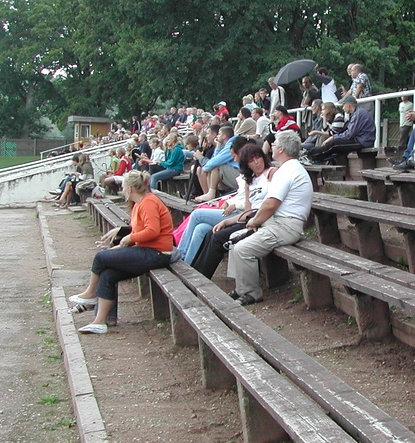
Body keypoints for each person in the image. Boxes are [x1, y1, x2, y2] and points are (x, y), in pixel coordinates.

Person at [69, 170, 176, 334]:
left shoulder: (148, 202)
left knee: (100, 258)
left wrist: (129, 238)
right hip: (148, 250)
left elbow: (153, 231)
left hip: (157, 254)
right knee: (109, 274)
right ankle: (102, 321)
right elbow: (140, 230)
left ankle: (90, 294)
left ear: (130, 189)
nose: (122, 190)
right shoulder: (140, 204)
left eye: (123, 186)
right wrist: (122, 238)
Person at [226, 130, 313, 305]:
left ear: (281, 149)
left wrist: (254, 221)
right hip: (279, 223)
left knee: (243, 249)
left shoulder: (287, 171)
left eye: (274, 144)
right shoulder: (288, 168)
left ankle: (252, 293)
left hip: (286, 226)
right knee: (234, 238)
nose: (271, 146)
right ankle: (241, 287)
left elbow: (271, 204)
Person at [181, 143, 274, 268]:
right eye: (252, 160)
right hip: (243, 215)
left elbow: (259, 206)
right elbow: (246, 205)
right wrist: (229, 204)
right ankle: (187, 266)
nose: (256, 162)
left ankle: (181, 255)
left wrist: (234, 205)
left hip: (252, 218)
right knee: (201, 228)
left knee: (198, 215)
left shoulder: (271, 174)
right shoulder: (248, 179)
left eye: (258, 158)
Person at [306, 96, 375, 162]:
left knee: (334, 144)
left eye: (343, 105)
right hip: (360, 139)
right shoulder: (356, 113)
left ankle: (310, 156)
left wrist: (333, 137)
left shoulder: (358, 114)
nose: (342, 108)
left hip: (363, 141)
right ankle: (313, 157)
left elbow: (349, 134)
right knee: (336, 147)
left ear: (349, 105)